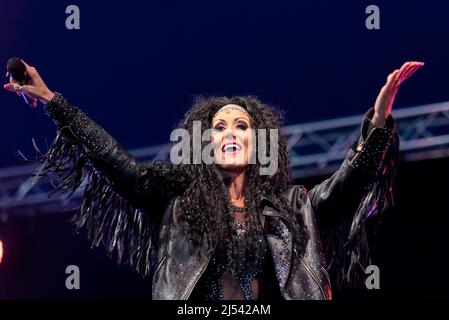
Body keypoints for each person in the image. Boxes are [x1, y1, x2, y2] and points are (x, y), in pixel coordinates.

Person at [4, 60, 423, 300]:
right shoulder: (178, 204)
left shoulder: (294, 207)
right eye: (218, 128)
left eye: (240, 125)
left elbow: (350, 182)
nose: (229, 134)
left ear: (256, 141)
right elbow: (115, 163)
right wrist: (53, 101)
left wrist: (379, 121)